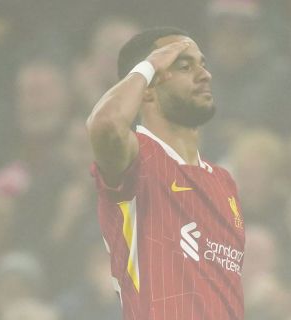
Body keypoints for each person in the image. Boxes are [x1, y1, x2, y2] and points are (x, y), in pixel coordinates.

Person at [86, 27, 245, 319]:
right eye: (184, 66)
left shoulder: (224, 182)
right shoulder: (138, 160)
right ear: (147, 87)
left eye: (203, 65)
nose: (204, 74)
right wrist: (149, 65)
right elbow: (105, 125)